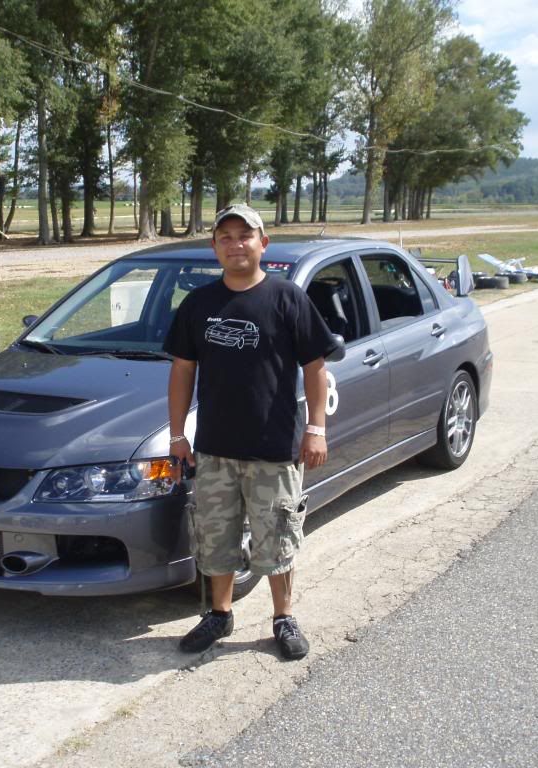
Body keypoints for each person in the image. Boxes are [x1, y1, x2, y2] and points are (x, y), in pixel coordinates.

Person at [163, 203, 338, 660]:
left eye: (245, 235)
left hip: (273, 449)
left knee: (277, 537)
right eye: (226, 237)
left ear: (263, 243)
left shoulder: (287, 299)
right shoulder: (199, 304)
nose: (236, 244)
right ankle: (219, 615)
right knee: (215, 537)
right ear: (214, 247)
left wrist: (316, 428)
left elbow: (315, 368)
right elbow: (182, 371)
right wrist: (178, 434)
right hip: (214, 449)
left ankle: (283, 617)